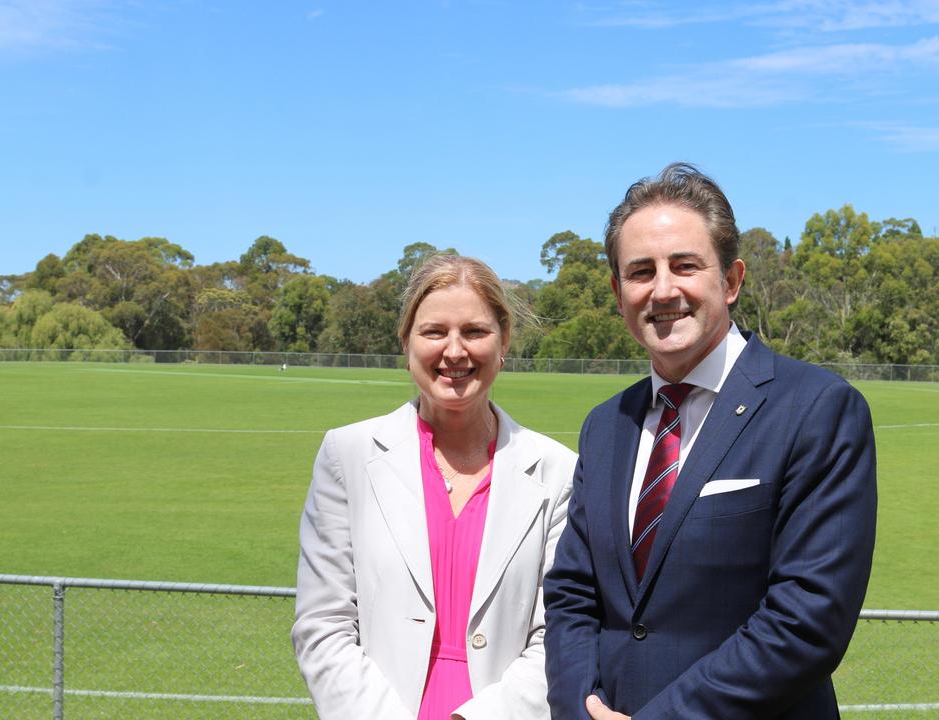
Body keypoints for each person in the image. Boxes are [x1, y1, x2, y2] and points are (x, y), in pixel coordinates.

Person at [543, 163, 877, 720]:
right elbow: (573, 594)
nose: (663, 289)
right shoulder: (606, 425)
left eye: (685, 266)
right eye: (641, 271)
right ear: (618, 291)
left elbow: (807, 620)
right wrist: (579, 709)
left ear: (732, 280)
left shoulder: (816, 409)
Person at [293, 255, 575, 720]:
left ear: (504, 342)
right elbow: (324, 626)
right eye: (434, 332)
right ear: (406, 341)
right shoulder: (347, 454)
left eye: (475, 331)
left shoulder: (558, 471)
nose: (455, 351)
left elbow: (560, 636)